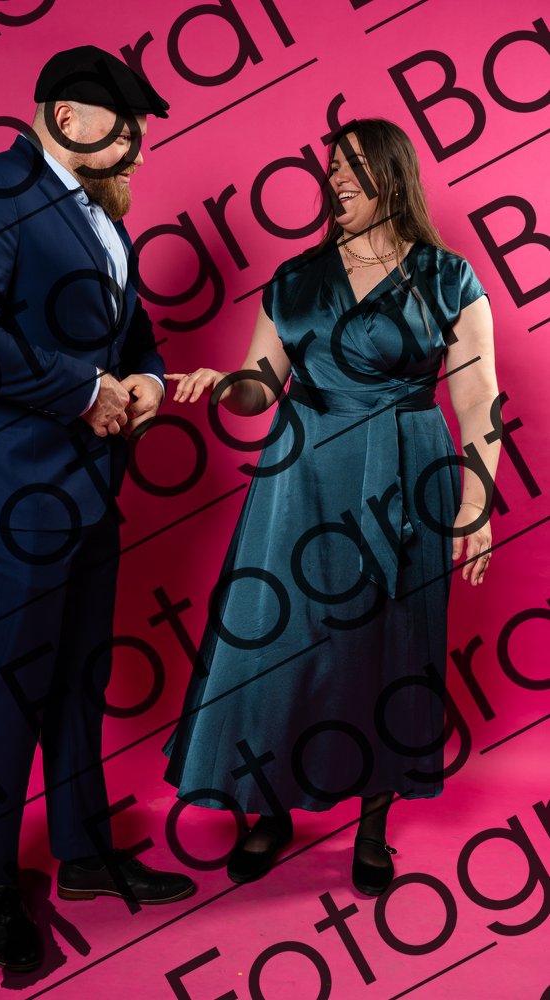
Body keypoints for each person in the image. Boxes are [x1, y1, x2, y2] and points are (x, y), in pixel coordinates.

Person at [163, 118, 499, 896]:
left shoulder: (449, 277)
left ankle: (372, 826)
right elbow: (258, 386)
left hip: (407, 473)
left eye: (352, 165)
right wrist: (223, 385)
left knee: (389, 646)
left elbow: (476, 396)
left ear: (392, 175)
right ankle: (269, 808)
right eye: (331, 166)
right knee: (277, 642)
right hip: (300, 475)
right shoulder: (296, 278)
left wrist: (475, 505)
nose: (335, 178)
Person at [0, 45, 195, 973]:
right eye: (127, 127)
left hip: (90, 486)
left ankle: (82, 852)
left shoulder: (98, 213)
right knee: (15, 686)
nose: (140, 146)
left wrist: (146, 380)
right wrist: (81, 391)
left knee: (78, 680)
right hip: (14, 489)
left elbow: (131, 334)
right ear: (67, 117)